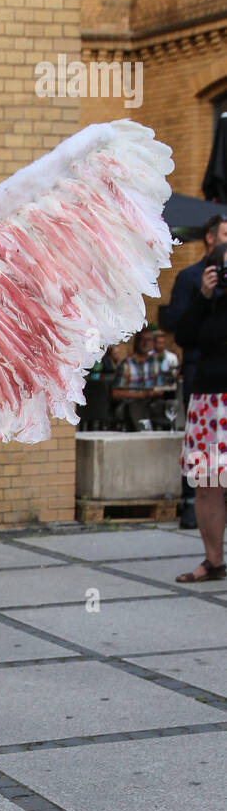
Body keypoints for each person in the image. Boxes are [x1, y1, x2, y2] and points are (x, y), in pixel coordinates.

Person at [166, 213, 227, 528]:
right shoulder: (193, 277)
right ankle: (190, 508)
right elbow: (181, 331)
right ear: (211, 238)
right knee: (207, 475)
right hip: (204, 381)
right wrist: (204, 296)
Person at [173, 241, 227, 582]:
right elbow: (184, 336)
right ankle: (213, 561)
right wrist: (205, 297)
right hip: (208, 402)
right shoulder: (208, 302)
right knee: (208, 483)